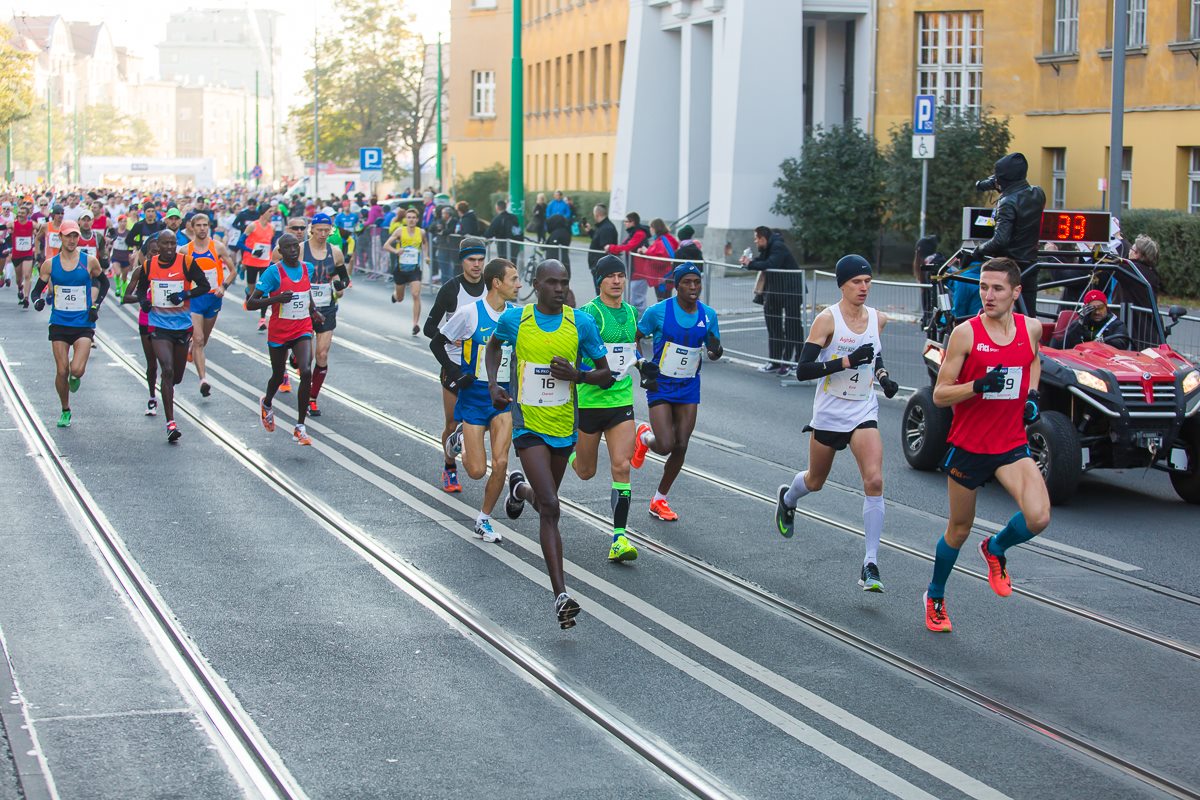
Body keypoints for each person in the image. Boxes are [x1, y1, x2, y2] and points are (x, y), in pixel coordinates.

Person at [485, 260, 613, 629]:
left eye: (565, 283)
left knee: (543, 503)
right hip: (529, 428)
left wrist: (579, 375)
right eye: (552, 282)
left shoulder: (580, 323)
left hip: (564, 426)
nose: (559, 288)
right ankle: (560, 594)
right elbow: (493, 348)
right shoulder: (516, 320)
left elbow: (606, 375)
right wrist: (494, 385)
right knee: (553, 507)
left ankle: (518, 488)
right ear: (536, 284)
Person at [923, 257, 1048, 633]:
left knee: (1039, 517)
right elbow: (941, 395)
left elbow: (1034, 361)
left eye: (997, 288)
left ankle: (995, 548)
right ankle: (935, 596)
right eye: (982, 287)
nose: (988, 295)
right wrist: (977, 386)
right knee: (959, 530)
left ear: (1016, 292)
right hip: (969, 447)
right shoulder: (965, 333)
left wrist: (1032, 395)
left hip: (1010, 444)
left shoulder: (1032, 329)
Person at [773, 255, 900, 591]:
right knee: (815, 481)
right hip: (830, 413)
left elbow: (875, 354)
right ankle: (788, 499)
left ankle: (870, 563)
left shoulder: (878, 319)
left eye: (868, 281)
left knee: (874, 481)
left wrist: (884, 378)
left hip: (862, 410)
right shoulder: (827, 320)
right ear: (842, 284)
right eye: (857, 282)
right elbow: (803, 370)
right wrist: (845, 361)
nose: (864, 287)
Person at [431, 258, 520, 542]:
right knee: (477, 470)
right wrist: (456, 374)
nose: (519, 285)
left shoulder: (517, 315)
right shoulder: (471, 313)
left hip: (501, 398)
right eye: (513, 279)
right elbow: (437, 342)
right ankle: (457, 440)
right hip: (473, 398)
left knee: (502, 462)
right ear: (497, 283)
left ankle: (483, 519)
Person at [630, 262, 722, 521]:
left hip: (689, 385)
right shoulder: (658, 312)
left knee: (681, 444)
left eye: (697, 282)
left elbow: (713, 349)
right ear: (676, 285)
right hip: (660, 383)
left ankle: (660, 499)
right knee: (665, 444)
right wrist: (641, 363)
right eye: (687, 282)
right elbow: (634, 337)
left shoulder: (708, 315)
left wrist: (716, 350)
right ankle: (645, 436)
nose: (693, 287)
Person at [571, 256, 644, 561]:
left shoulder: (630, 312)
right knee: (586, 472)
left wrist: (644, 365)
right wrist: (588, 374)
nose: (617, 281)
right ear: (599, 280)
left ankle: (619, 539)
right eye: (610, 276)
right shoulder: (588, 314)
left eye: (620, 275)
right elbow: (573, 353)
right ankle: (571, 452)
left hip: (620, 401)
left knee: (622, 466)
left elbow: (629, 350)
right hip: (589, 401)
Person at [123, 231, 211, 442]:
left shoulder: (186, 263)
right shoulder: (148, 266)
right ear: (158, 246)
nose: (170, 247)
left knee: (177, 376)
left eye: (173, 243)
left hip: (182, 326)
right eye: (166, 244)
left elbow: (204, 286)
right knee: (167, 370)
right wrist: (143, 301)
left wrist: (184, 294)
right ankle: (171, 423)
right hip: (158, 326)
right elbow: (142, 289)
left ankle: (168, 388)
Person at [245, 233, 325, 446]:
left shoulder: (307, 268)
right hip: (280, 331)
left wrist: (314, 310)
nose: (293, 250)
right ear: (280, 251)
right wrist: (277, 299)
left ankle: (300, 427)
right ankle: (268, 403)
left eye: (295, 247)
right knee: (278, 375)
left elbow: (306, 294)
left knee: (306, 370)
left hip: (302, 327)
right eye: (288, 247)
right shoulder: (274, 272)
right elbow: (251, 303)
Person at [30, 220, 110, 429]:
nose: (72, 240)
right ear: (61, 238)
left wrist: (95, 306)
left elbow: (105, 282)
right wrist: (37, 301)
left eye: (75, 236)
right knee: (62, 370)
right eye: (68, 236)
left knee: (77, 370)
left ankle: (76, 378)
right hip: (59, 322)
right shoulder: (50, 264)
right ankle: (65, 409)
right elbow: (36, 291)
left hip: (83, 323)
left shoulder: (89, 261)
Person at [425, 238, 489, 492]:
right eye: (471, 260)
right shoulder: (452, 289)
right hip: (453, 363)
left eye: (481, 260)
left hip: (483, 366)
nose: (476, 265)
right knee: (452, 424)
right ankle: (449, 467)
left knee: (482, 424)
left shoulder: (491, 287)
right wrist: (453, 333)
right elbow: (431, 329)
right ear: (462, 261)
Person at [971, 153, 1047, 316]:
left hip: (1009, 266)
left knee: (1001, 313)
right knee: (1027, 314)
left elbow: (1000, 240)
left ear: (1002, 179)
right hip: (1030, 263)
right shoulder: (1038, 194)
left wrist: (979, 250)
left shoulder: (1007, 203)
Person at [185, 214, 238, 398]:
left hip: (214, 298)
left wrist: (224, 286)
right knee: (198, 338)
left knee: (203, 340)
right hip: (195, 300)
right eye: (198, 225)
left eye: (205, 225)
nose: (202, 228)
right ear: (192, 227)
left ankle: (192, 349)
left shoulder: (218, 247)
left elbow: (233, 271)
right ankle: (203, 380)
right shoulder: (185, 251)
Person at [303, 213, 350, 417]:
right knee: (304, 357)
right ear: (312, 229)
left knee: (321, 354)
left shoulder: (336, 252)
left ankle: (312, 398)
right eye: (319, 230)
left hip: (326, 307)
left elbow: (344, 279)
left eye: (327, 230)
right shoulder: (300, 250)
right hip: (302, 308)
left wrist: (340, 286)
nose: (323, 234)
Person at [741, 226, 804, 376]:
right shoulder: (768, 248)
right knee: (774, 325)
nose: (755, 242)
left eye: (756, 238)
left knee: (793, 326)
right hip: (776, 290)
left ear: (763, 238)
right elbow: (762, 261)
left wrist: (750, 264)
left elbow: (771, 264)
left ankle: (797, 361)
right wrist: (749, 262)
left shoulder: (777, 246)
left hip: (791, 290)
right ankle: (775, 361)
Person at [383, 207, 428, 334]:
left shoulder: (421, 232)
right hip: (401, 268)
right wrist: (396, 251)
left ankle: (415, 324)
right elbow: (386, 245)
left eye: (414, 218)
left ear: (417, 219)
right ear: (405, 219)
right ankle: (395, 295)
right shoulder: (399, 231)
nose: (411, 220)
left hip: (414, 269)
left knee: (415, 294)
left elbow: (425, 243)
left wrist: (427, 255)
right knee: (400, 298)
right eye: (409, 217)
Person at [1119, 233, 1163, 349]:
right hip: (1150, 328)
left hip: (1140, 330)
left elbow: (1108, 264)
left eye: (1131, 249)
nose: (1129, 251)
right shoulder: (1149, 271)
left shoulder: (1134, 270)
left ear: (1138, 254)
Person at [1051, 289, 1131, 350]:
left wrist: (1104, 342)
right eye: (1092, 309)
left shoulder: (1116, 324)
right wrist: (1079, 324)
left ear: (1106, 307)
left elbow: (1122, 343)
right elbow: (1058, 346)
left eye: (1100, 308)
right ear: (1085, 309)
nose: (1097, 312)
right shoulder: (1080, 323)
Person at [605, 212, 651, 313]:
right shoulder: (633, 233)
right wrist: (613, 248)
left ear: (633, 222)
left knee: (638, 300)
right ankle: (635, 322)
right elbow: (623, 245)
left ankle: (640, 324)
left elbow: (628, 247)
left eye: (626, 221)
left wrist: (611, 247)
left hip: (640, 273)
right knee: (633, 298)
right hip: (634, 272)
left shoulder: (639, 234)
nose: (625, 223)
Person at [241, 205, 277, 332]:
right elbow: (240, 242)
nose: (272, 213)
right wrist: (252, 251)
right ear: (263, 213)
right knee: (252, 291)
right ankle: (248, 293)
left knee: (264, 291)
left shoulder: (272, 227)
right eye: (270, 211)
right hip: (251, 262)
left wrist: (272, 256)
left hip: (265, 263)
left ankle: (262, 319)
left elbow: (272, 244)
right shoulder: (252, 226)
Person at [640, 219, 678, 302]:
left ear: (654, 228)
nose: (650, 229)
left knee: (663, 301)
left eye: (650, 227)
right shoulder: (663, 239)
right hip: (662, 277)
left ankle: (665, 315)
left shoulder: (663, 241)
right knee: (665, 301)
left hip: (663, 277)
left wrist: (646, 252)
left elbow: (664, 258)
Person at [11, 203, 37, 307]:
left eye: (23, 213)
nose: (20, 214)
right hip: (16, 254)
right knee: (18, 279)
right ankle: (20, 288)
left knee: (27, 275)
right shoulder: (13, 224)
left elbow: (42, 228)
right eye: (19, 212)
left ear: (27, 214)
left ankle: (26, 298)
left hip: (28, 253)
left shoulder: (32, 224)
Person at [585, 204, 619, 282]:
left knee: (601, 291)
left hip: (601, 266)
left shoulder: (606, 228)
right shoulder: (602, 226)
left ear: (597, 215)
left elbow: (605, 248)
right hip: (598, 265)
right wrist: (590, 231)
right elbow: (598, 241)